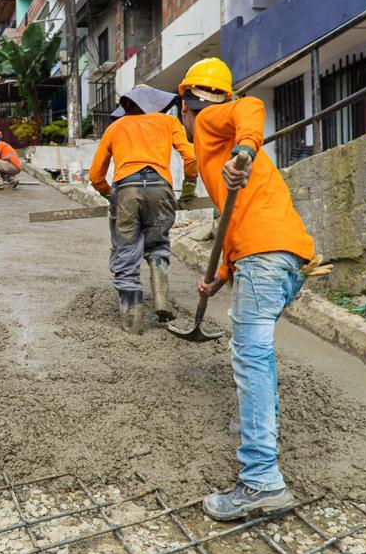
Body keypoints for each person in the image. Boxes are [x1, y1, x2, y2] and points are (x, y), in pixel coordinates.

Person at [177, 58, 316, 520]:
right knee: (258, 357)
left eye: (184, 106)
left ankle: (261, 480)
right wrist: (221, 276)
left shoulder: (209, 122)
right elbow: (240, 223)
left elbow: (251, 105)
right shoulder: (220, 148)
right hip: (282, 258)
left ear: (190, 102)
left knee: (251, 358)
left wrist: (245, 151)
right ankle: (261, 436)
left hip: (266, 258)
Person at [89, 85, 198, 333]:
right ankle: (161, 297)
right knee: (157, 244)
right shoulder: (167, 122)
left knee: (126, 250)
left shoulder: (115, 128)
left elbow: (96, 176)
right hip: (161, 188)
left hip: (127, 190)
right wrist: (189, 185)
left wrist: (110, 196)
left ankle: (133, 318)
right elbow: (190, 157)